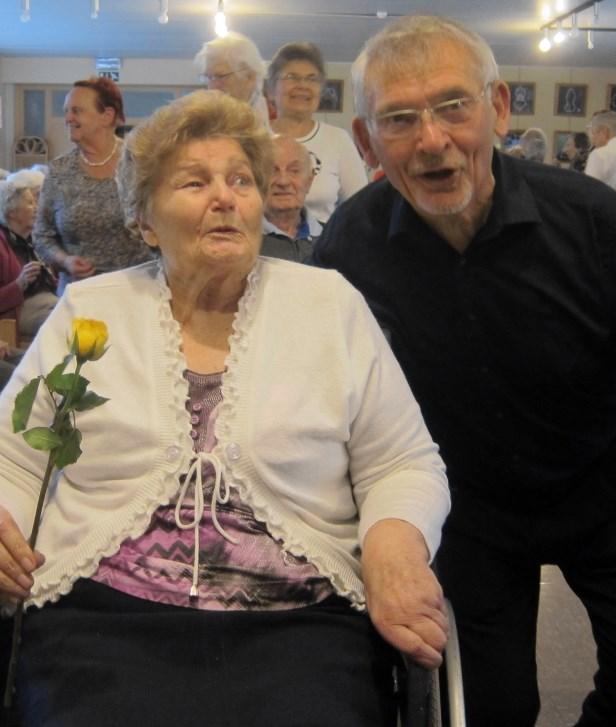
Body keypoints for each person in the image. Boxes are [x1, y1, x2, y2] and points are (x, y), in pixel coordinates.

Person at [0, 90, 450, 727]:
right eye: (194, 182)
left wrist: (394, 551)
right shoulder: (91, 310)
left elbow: (402, 463)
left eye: (241, 179)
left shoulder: (328, 306)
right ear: (145, 220)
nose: (225, 196)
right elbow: (15, 459)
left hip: (300, 620)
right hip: (106, 614)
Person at [313, 15, 616, 727]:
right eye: (400, 119)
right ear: (369, 142)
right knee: (491, 705)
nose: (433, 140)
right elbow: (333, 400)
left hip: (610, 486)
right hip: (468, 509)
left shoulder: (594, 220)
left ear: (496, 109)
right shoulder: (352, 246)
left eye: (453, 106)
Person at [33, 76, 151, 293]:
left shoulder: (140, 164)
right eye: (66, 110)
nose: (67, 117)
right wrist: (65, 260)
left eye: (76, 110)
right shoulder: (59, 171)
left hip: (136, 290)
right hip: (78, 294)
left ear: (107, 116)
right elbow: (42, 236)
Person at [266, 41, 367, 223]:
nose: (302, 85)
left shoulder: (338, 140)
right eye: (292, 77)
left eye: (312, 79)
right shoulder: (253, 139)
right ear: (271, 90)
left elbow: (361, 207)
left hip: (322, 247)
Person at [0, 178, 57, 340]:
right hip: (17, 310)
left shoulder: (34, 240)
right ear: (12, 211)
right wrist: (19, 283)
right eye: (30, 203)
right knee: (63, 319)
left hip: (47, 301)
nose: (37, 208)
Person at [261, 134, 320, 262]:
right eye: (272, 170)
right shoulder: (243, 240)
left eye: (294, 170)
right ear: (257, 179)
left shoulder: (331, 238)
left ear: (309, 182)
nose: (283, 181)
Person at [194, 31, 270, 128]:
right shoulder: (202, 123)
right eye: (209, 77)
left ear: (250, 77)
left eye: (220, 76)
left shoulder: (272, 131)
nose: (212, 86)